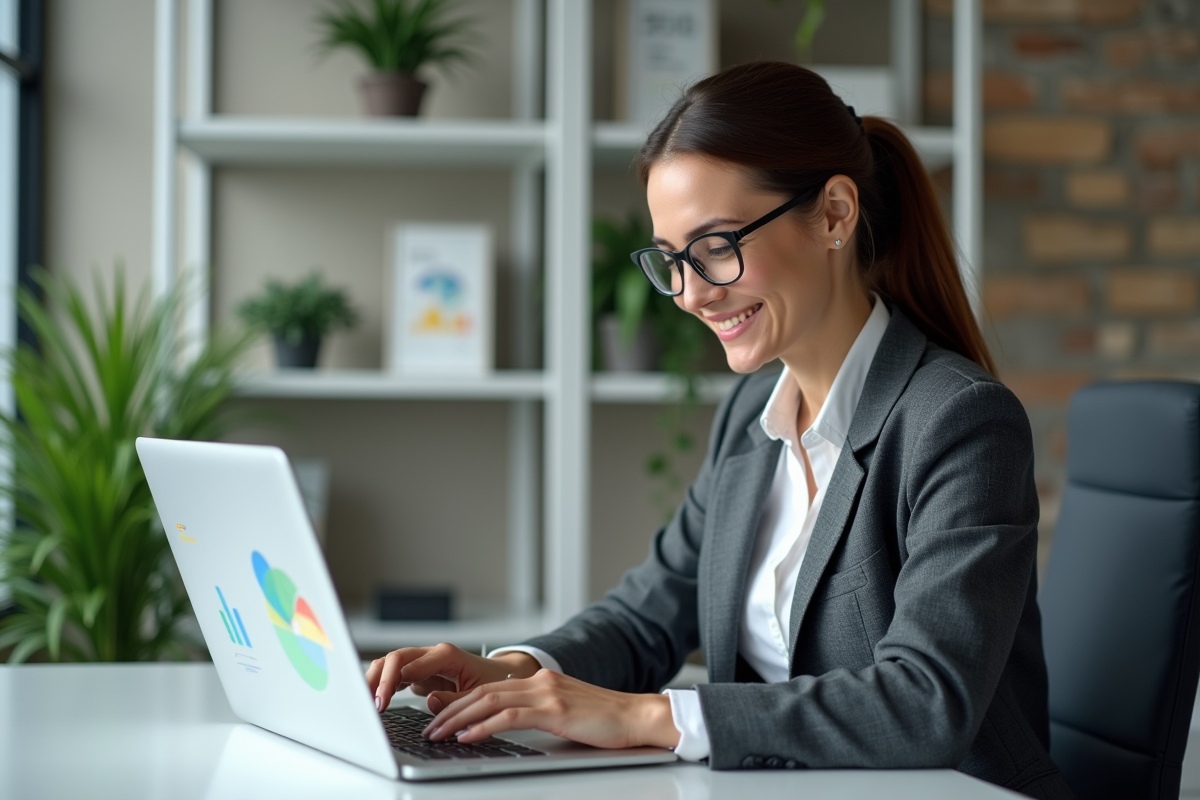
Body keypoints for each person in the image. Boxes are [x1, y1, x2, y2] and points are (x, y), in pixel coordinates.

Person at [366, 61, 1072, 799]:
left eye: (715, 247)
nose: (691, 293)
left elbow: (928, 701)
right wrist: (517, 670)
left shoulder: (956, 421)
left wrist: (652, 716)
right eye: (671, 260)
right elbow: (647, 617)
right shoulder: (751, 418)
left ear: (834, 213)